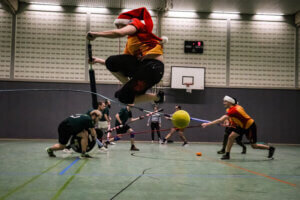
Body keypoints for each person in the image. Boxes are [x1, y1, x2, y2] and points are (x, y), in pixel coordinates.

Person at [86, 7, 166, 104]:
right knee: (123, 97)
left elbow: (119, 33)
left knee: (111, 61)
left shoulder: (136, 23)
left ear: (125, 22)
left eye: (118, 25)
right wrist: (98, 61)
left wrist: (96, 34)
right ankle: (157, 98)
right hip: (149, 74)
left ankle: (127, 83)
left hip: (152, 66)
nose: (117, 28)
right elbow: (120, 65)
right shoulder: (130, 44)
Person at [202, 95, 275, 160]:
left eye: (225, 101)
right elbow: (237, 118)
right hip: (241, 126)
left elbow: (220, 120)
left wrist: (207, 124)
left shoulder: (233, 110)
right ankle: (227, 154)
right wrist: (231, 123)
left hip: (250, 126)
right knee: (231, 137)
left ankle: (270, 148)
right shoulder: (235, 107)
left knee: (254, 146)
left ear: (230, 102)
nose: (223, 103)